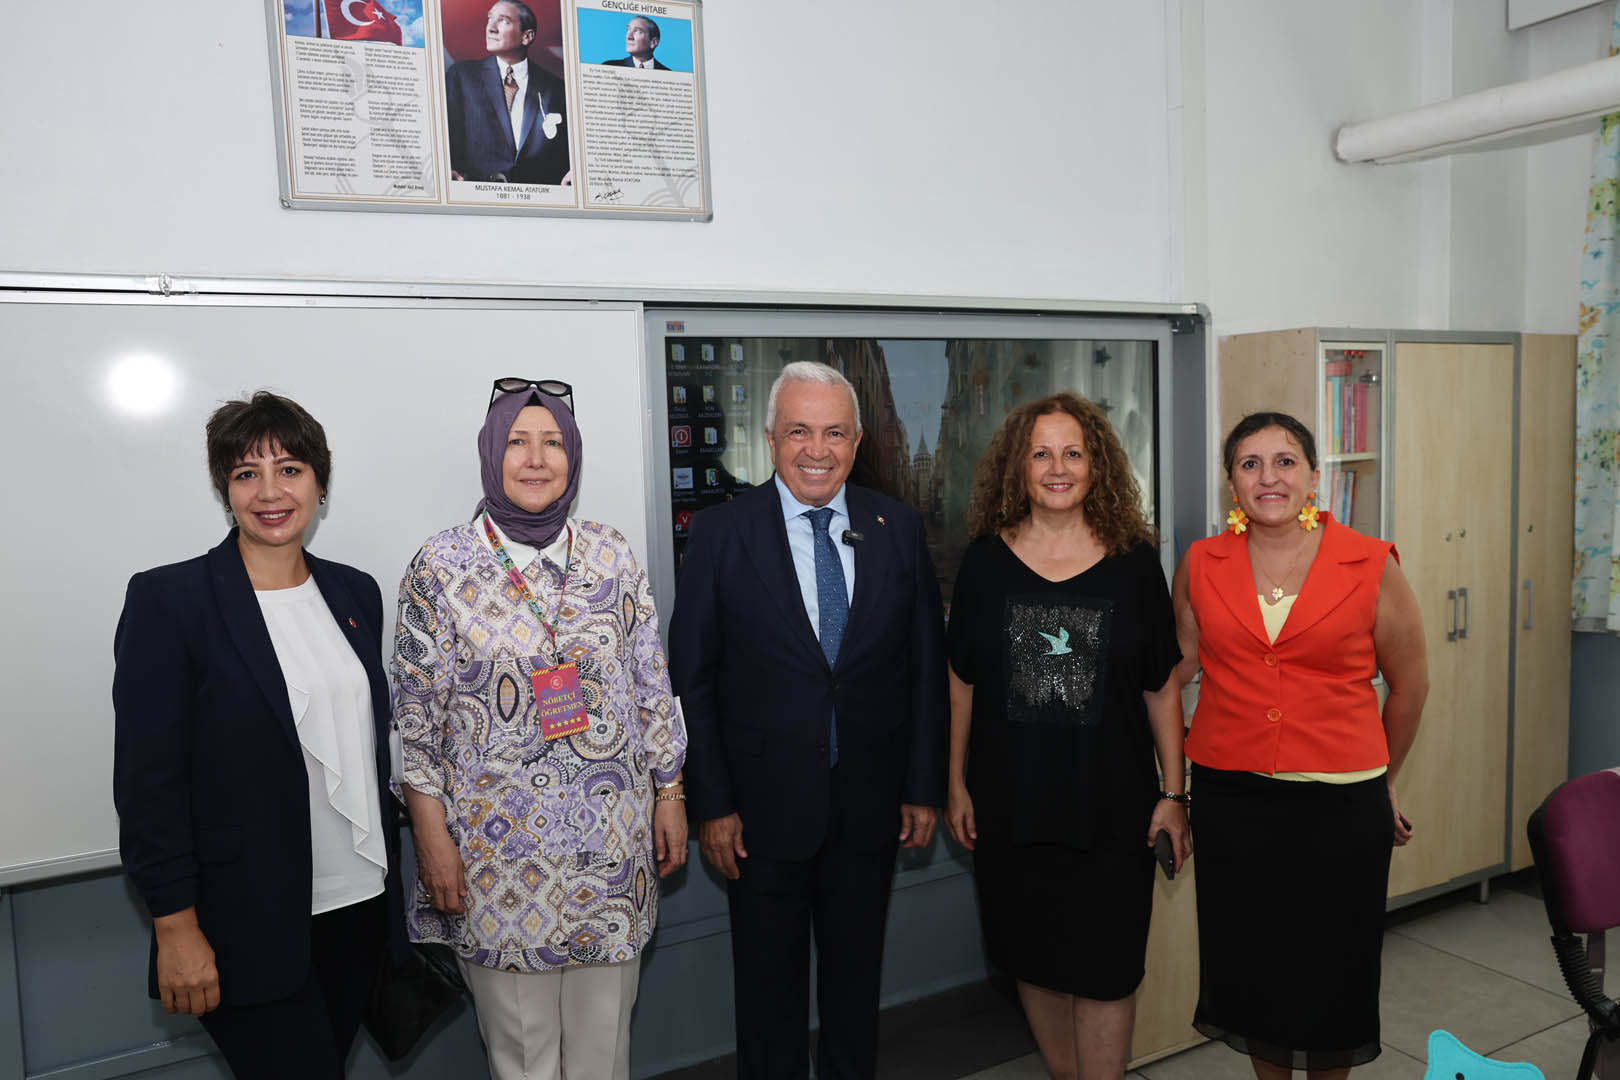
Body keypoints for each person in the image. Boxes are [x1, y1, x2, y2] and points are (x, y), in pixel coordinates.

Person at [394, 378, 687, 1080]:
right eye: (517, 442)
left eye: (552, 442)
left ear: (572, 456)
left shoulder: (611, 555)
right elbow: (416, 722)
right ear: (491, 453)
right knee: (523, 1060)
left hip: (612, 852)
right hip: (496, 864)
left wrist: (671, 791)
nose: (535, 459)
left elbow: (652, 682)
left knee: (603, 1055)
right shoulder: (441, 566)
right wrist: (431, 839)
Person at [112, 392, 409, 1079]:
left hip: (358, 906)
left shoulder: (355, 593)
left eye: (290, 469)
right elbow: (149, 783)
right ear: (225, 489)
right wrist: (174, 927)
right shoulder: (171, 601)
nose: (270, 492)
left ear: (320, 484)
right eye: (247, 474)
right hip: (241, 923)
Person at [668, 361, 949, 1080]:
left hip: (871, 811)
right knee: (769, 1005)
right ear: (770, 439)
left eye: (833, 433)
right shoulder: (721, 532)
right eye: (799, 431)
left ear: (856, 442)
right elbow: (691, 681)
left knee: (856, 993)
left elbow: (924, 668)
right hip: (758, 819)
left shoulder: (897, 528)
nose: (816, 450)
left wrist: (923, 788)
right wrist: (712, 805)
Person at [1171, 411, 1428, 1078]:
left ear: (1314, 477)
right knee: (1252, 971)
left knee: (1333, 974)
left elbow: (1410, 687)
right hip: (1232, 800)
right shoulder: (1201, 563)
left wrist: (1382, 780)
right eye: (1250, 464)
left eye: (1285, 461)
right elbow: (1179, 669)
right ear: (1232, 482)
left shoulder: (1370, 562)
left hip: (1341, 804)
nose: (1269, 477)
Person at [942, 392, 1189, 1080]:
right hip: (1011, 809)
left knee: (1108, 971)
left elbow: (1162, 686)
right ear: (1016, 468)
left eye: (1073, 453)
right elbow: (960, 682)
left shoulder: (1135, 563)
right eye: (1041, 454)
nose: (1058, 468)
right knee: (1035, 959)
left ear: (1096, 465)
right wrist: (955, 782)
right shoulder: (985, 562)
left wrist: (1175, 795)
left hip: (1113, 811)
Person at [445, 1, 571, 184]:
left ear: (527, 36)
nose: (490, 28)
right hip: (475, 193)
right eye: (490, 19)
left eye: (504, 21)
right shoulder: (462, 76)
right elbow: (447, 138)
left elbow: (567, 151)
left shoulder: (556, 88)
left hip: (539, 195)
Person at [600, 15, 670, 69]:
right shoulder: (609, 67)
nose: (629, 37)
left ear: (653, 42)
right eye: (628, 30)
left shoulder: (668, 74)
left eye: (637, 31)